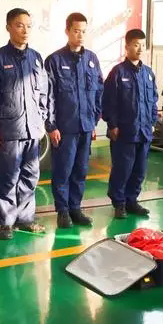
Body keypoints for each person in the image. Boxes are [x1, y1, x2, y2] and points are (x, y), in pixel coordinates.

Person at [0, 8, 48, 240]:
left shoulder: (36, 58)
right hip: (9, 129)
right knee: (8, 177)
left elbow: (43, 92)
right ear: (9, 27)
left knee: (30, 176)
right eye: (20, 25)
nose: (25, 30)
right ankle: (7, 222)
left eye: (29, 26)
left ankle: (26, 219)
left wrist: (41, 118)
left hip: (32, 129)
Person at [44, 12, 103, 228]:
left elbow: (99, 91)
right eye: (76, 31)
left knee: (80, 170)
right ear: (67, 31)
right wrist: (51, 126)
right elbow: (48, 96)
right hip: (65, 128)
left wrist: (94, 119)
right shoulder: (54, 60)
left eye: (84, 31)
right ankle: (62, 211)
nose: (80, 35)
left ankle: (75, 208)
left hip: (85, 126)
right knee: (63, 171)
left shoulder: (91, 60)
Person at [102, 28, 158, 219]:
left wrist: (152, 122)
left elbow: (153, 100)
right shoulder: (118, 72)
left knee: (139, 170)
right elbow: (108, 101)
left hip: (144, 132)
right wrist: (113, 125)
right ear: (127, 47)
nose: (140, 49)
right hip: (125, 132)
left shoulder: (148, 73)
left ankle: (132, 201)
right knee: (122, 169)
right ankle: (119, 203)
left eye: (142, 45)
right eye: (136, 45)